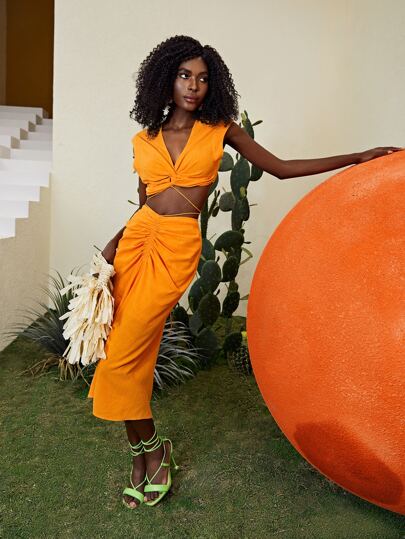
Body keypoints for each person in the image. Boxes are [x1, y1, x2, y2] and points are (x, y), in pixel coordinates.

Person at [87, 34, 403, 509]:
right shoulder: (144, 139)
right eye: (184, 75)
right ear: (166, 79)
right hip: (135, 245)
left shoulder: (220, 130)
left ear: (211, 85)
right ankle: (144, 455)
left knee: (123, 355)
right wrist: (112, 247)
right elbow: (144, 203)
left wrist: (356, 157)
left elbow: (280, 168)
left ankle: (152, 450)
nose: (193, 86)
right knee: (119, 353)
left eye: (202, 78)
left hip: (176, 248)